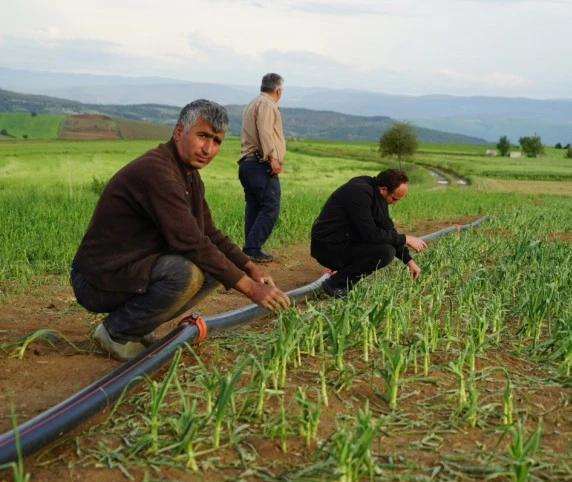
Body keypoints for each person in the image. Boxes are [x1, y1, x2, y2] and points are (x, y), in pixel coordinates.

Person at [71, 99, 290, 361]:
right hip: (97, 278)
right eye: (203, 136)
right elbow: (191, 242)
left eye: (217, 141)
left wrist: (249, 267)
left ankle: (136, 329)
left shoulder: (188, 175)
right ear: (178, 133)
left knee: (213, 268)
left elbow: (208, 233)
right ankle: (115, 332)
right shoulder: (158, 172)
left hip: (130, 267)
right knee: (184, 274)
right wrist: (251, 290)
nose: (208, 149)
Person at [310, 169, 427, 298]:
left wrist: (409, 261)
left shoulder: (377, 194)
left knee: (387, 246)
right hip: (328, 247)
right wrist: (406, 239)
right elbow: (371, 234)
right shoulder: (359, 192)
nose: (394, 203)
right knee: (385, 252)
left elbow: (388, 229)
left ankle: (341, 281)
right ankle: (336, 284)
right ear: (384, 189)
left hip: (344, 241)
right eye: (394, 198)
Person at [238, 72, 286, 263]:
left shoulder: (253, 102)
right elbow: (265, 131)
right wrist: (272, 157)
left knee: (255, 206)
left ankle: (250, 248)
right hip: (260, 163)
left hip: (247, 163)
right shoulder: (267, 104)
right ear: (278, 90)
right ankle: (252, 247)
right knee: (270, 206)